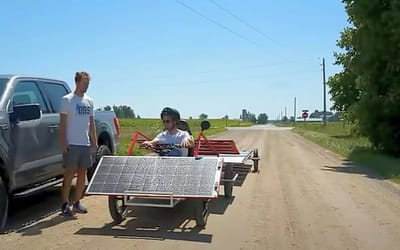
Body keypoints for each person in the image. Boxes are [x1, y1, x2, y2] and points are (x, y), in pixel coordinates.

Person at [59, 72, 97, 216]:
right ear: (77, 82)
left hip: (84, 143)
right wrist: (63, 142)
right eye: (84, 82)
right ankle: (64, 203)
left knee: (82, 173)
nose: (86, 86)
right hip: (72, 143)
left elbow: (91, 123)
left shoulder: (89, 101)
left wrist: (94, 142)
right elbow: (62, 124)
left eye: (88, 83)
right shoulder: (67, 100)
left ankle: (77, 202)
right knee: (69, 173)